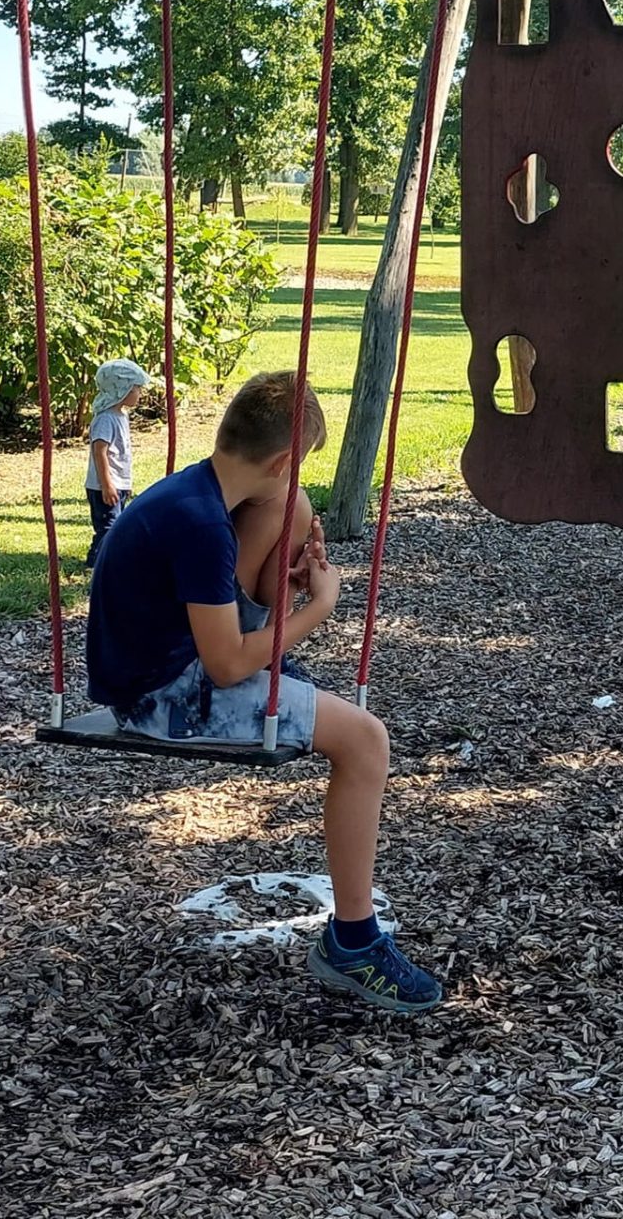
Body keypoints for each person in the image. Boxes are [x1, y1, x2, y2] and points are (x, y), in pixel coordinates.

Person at [85, 369, 443, 1016]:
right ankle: (353, 944)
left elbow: (224, 634)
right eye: (297, 464)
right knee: (365, 740)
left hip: (169, 663)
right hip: (162, 698)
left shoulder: (197, 493)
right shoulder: (200, 525)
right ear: (280, 460)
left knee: (293, 509)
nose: (294, 475)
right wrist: (318, 608)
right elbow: (225, 666)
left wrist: (287, 584)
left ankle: (353, 940)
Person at [85, 359, 152, 565]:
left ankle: (107, 559)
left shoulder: (120, 416)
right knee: (109, 526)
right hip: (104, 485)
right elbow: (100, 452)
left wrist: (124, 483)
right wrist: (107, 485)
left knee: (116, 524)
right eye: (136, 389)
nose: (140, 394)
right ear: (122, 389)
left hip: (117, 483)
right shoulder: (106, 419)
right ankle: (97, 561)